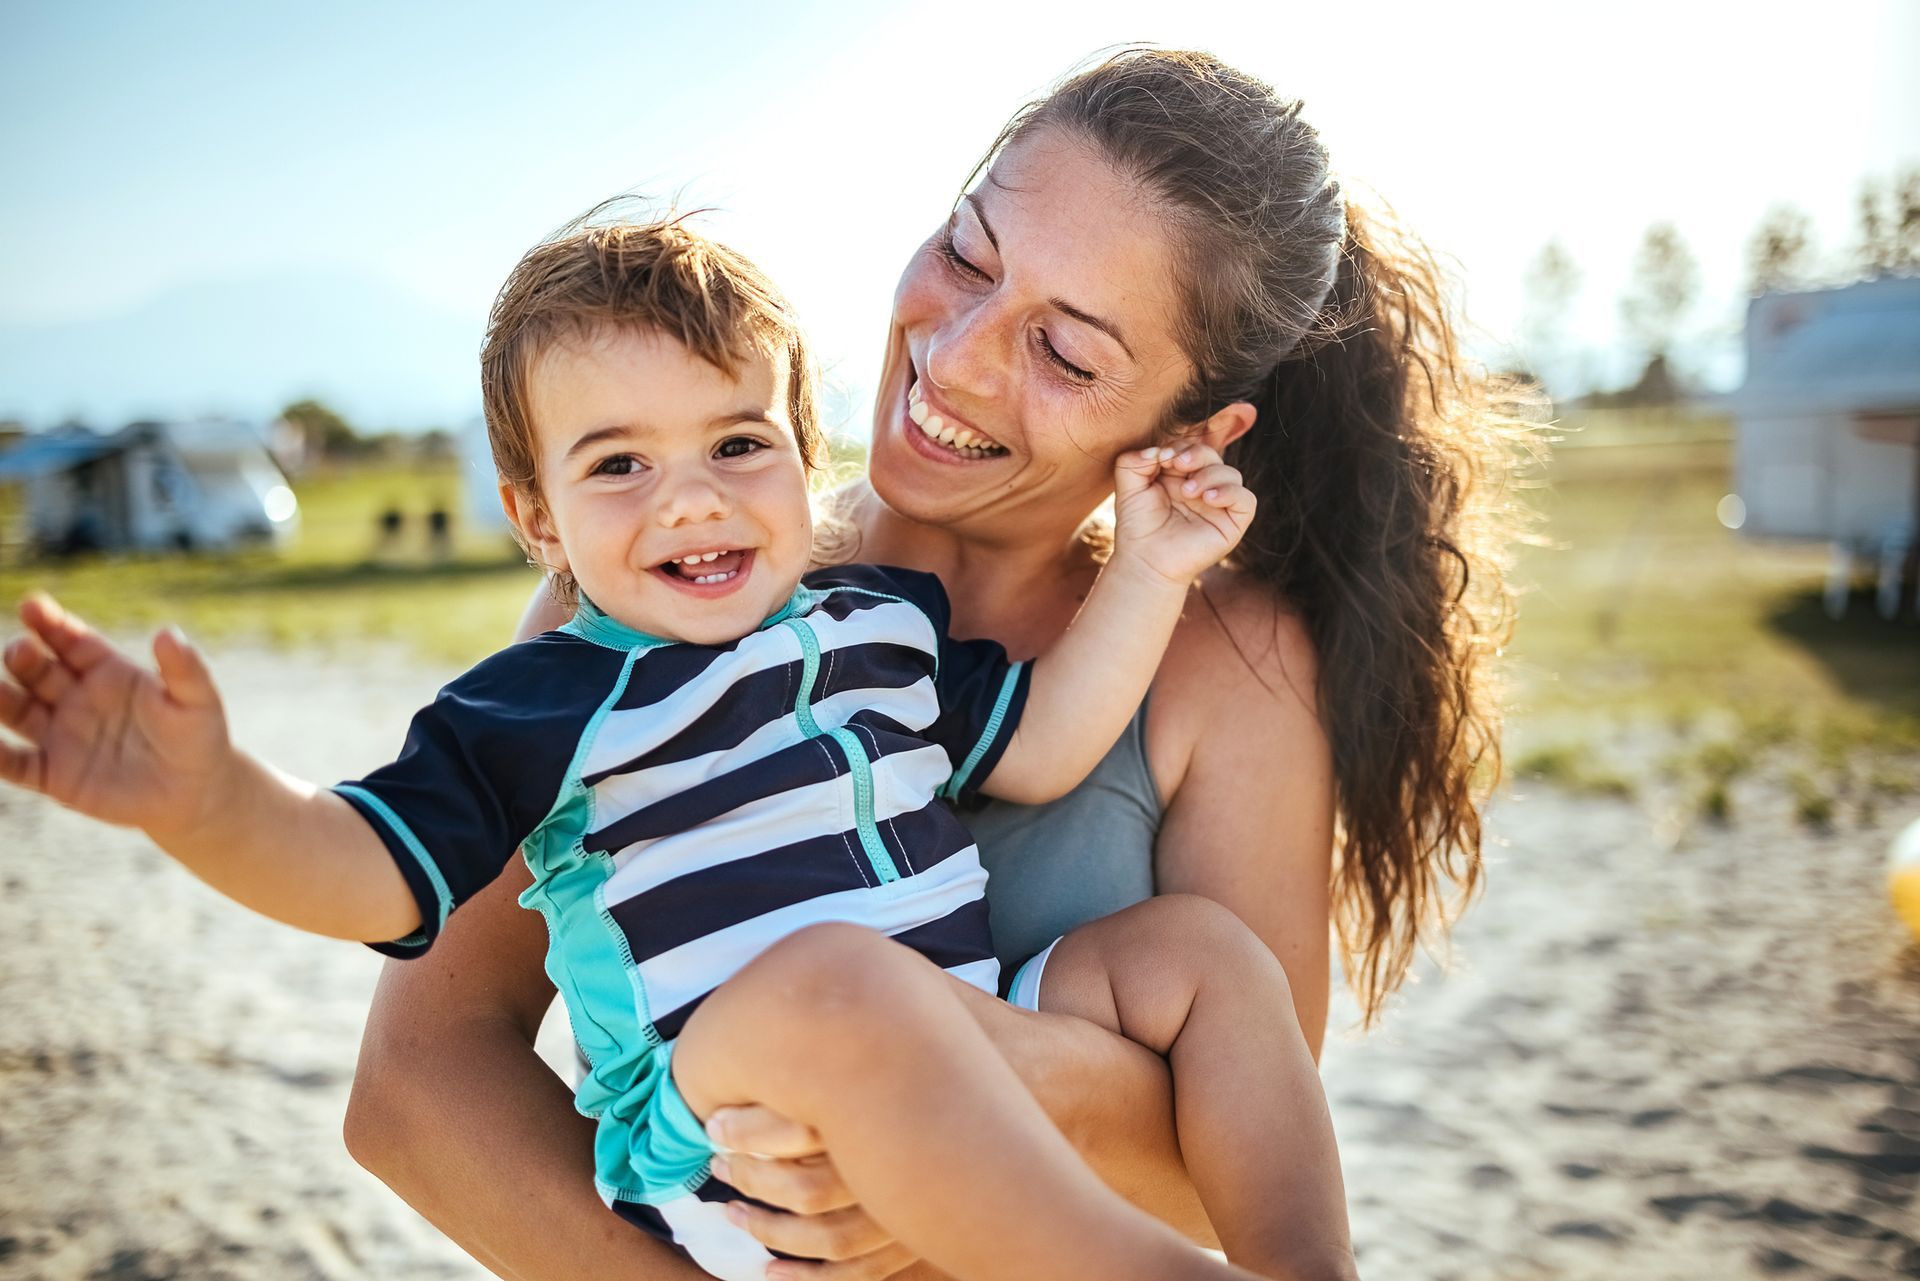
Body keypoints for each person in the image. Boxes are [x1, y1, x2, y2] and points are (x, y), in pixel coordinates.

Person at [343, 47, 1522, 1280]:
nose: (954, 356)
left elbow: (1231, 1179)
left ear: (1194, 431)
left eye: (1064, 353)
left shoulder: (1229, 666)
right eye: (967, 254)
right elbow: (417, 1086)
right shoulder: (656, 596)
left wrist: (921, 1113)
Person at [0, 214, 1355, 1281]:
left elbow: (1051, 742)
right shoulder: (557, 691)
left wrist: (1154, 571)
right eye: (618, 467)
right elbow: (369, 871)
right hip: (718, 1134)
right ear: (538, 519)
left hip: (961, 1022)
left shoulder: (876, 622)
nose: (691, 498)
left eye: (734, 443)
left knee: (1198, 955)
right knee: (836, 979)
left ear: (800, 452)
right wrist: (208, 798)